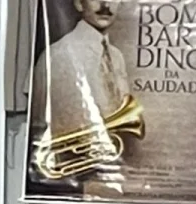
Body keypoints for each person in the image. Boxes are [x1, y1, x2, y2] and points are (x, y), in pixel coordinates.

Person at [29, 0, 131, 139]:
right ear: (78, 3)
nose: (106, 5)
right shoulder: (57, 55)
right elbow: (40, 125)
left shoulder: (116, 56)